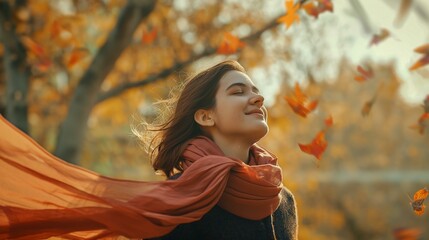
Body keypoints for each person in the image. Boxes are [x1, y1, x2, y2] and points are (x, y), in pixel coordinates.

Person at [0, 60, 297, 239]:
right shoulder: (177, 201)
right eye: (238, 92)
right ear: (206, 116)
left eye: (257, 91)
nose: (258, 99)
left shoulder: (282, 199)